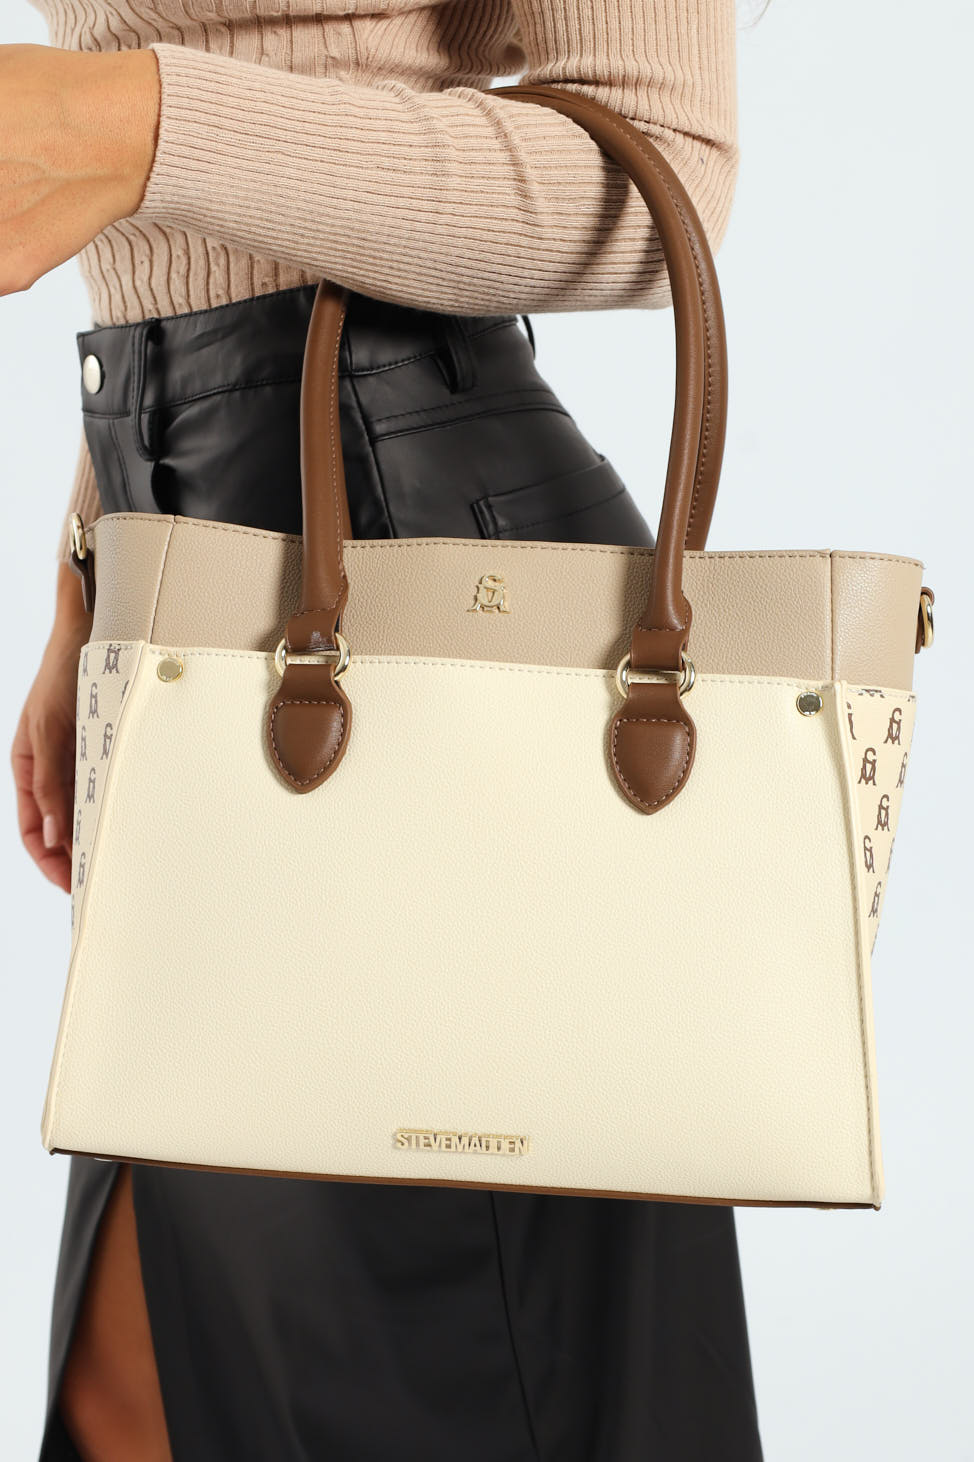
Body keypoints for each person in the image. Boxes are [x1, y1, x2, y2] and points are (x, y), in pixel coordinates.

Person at [4, 3, 763, 1458]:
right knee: (144, 1383)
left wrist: (136, 122)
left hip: (432, 610)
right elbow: (188, 255)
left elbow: (664, 162)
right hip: (195, 569)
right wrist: (88, 571)